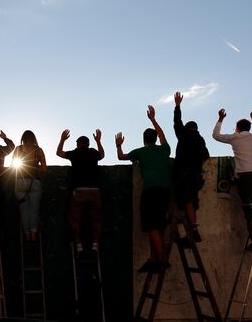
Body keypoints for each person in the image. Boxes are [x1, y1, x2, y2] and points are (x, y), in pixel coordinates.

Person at [116, 106, 172, 273]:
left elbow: (121, 156)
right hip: (165, 191)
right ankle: (153, 259)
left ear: (144, 139)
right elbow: (163, 136)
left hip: (151, 191)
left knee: (151, 226)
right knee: (158, 225)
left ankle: (161, 260)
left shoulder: (140, 152)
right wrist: (153, 120)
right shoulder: (164, 149)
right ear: (155, 138)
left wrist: (118, 145)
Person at [212, 104, 252, 244]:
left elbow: (216, 136)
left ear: (237, 129)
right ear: (248, 128)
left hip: (247, 175)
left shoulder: (234, 138)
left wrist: (220, 119)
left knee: (249, 208)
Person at [57, 128, 105, 253]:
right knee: (96, 219)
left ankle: (78, 245)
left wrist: (62, 139)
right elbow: (102, 155)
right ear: (88, 144)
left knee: (74, 218)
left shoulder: (75, 153)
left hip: (79, 191)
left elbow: (59, 153)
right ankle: (95, 244)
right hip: (95, 190)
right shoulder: (93, 152)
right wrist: (99, 141)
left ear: (77, 144)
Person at [172, 92, 210, 242]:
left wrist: (177, 105)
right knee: (191, 203)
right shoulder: (200, 140)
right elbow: (206, 155)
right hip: (196, 176)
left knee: (185, 201)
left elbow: (177, 121)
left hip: (184, 175)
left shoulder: (183, 134)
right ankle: (191, 231)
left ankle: (193, 232)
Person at [12, 130, 48, 242]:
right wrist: (37, 173)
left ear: (23, 138)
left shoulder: (18, 149)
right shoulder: (38, 150)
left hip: (20, 182)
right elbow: (43, 168)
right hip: (34, 182)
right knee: (34, 210)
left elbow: (13, 165)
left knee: (23, 210)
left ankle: (26, 235)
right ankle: (33, 235)